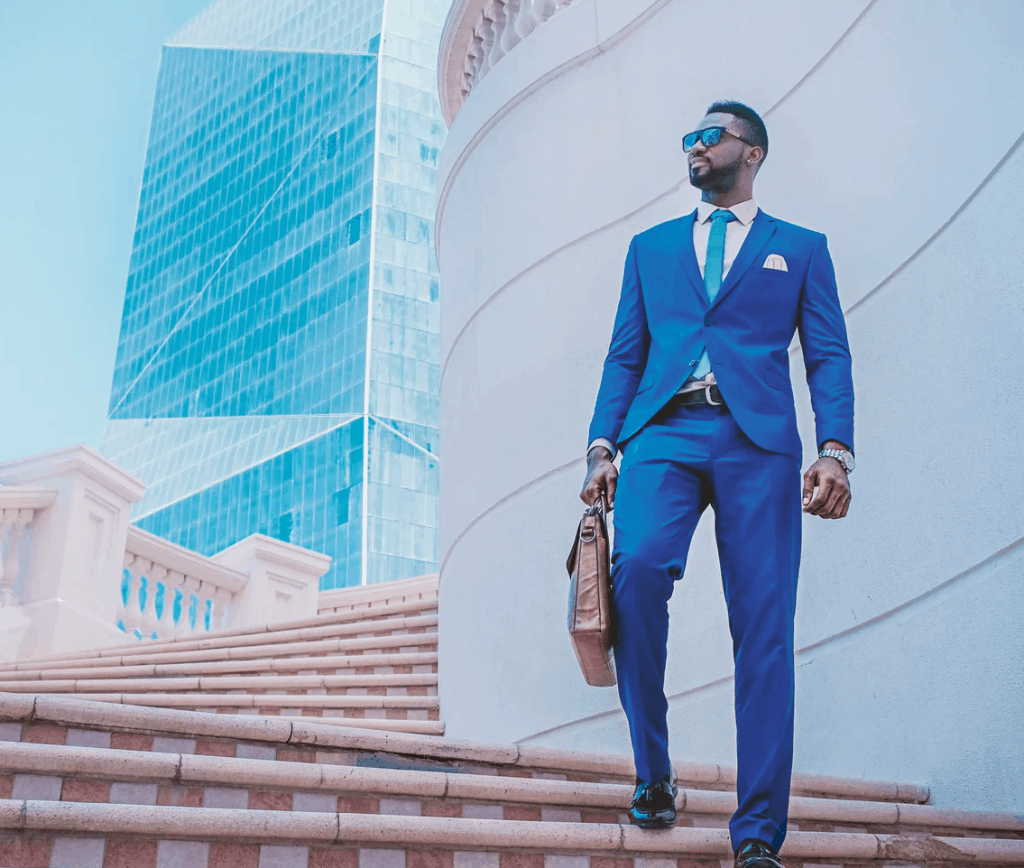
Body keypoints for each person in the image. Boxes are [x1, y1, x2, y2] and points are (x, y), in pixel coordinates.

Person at [580, 100, 855, 868]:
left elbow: (828, 355)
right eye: (689, 139)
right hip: (662, 433)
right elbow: (623, 355)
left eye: (712, 136)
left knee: (763, 626)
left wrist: (836, 448)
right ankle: (654, 773)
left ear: (753, 153)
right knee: (634, 576)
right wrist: (602, 443)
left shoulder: (800, 249)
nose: (696, 147)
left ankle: (759, 832)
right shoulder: (652, 248)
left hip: (758, 443)